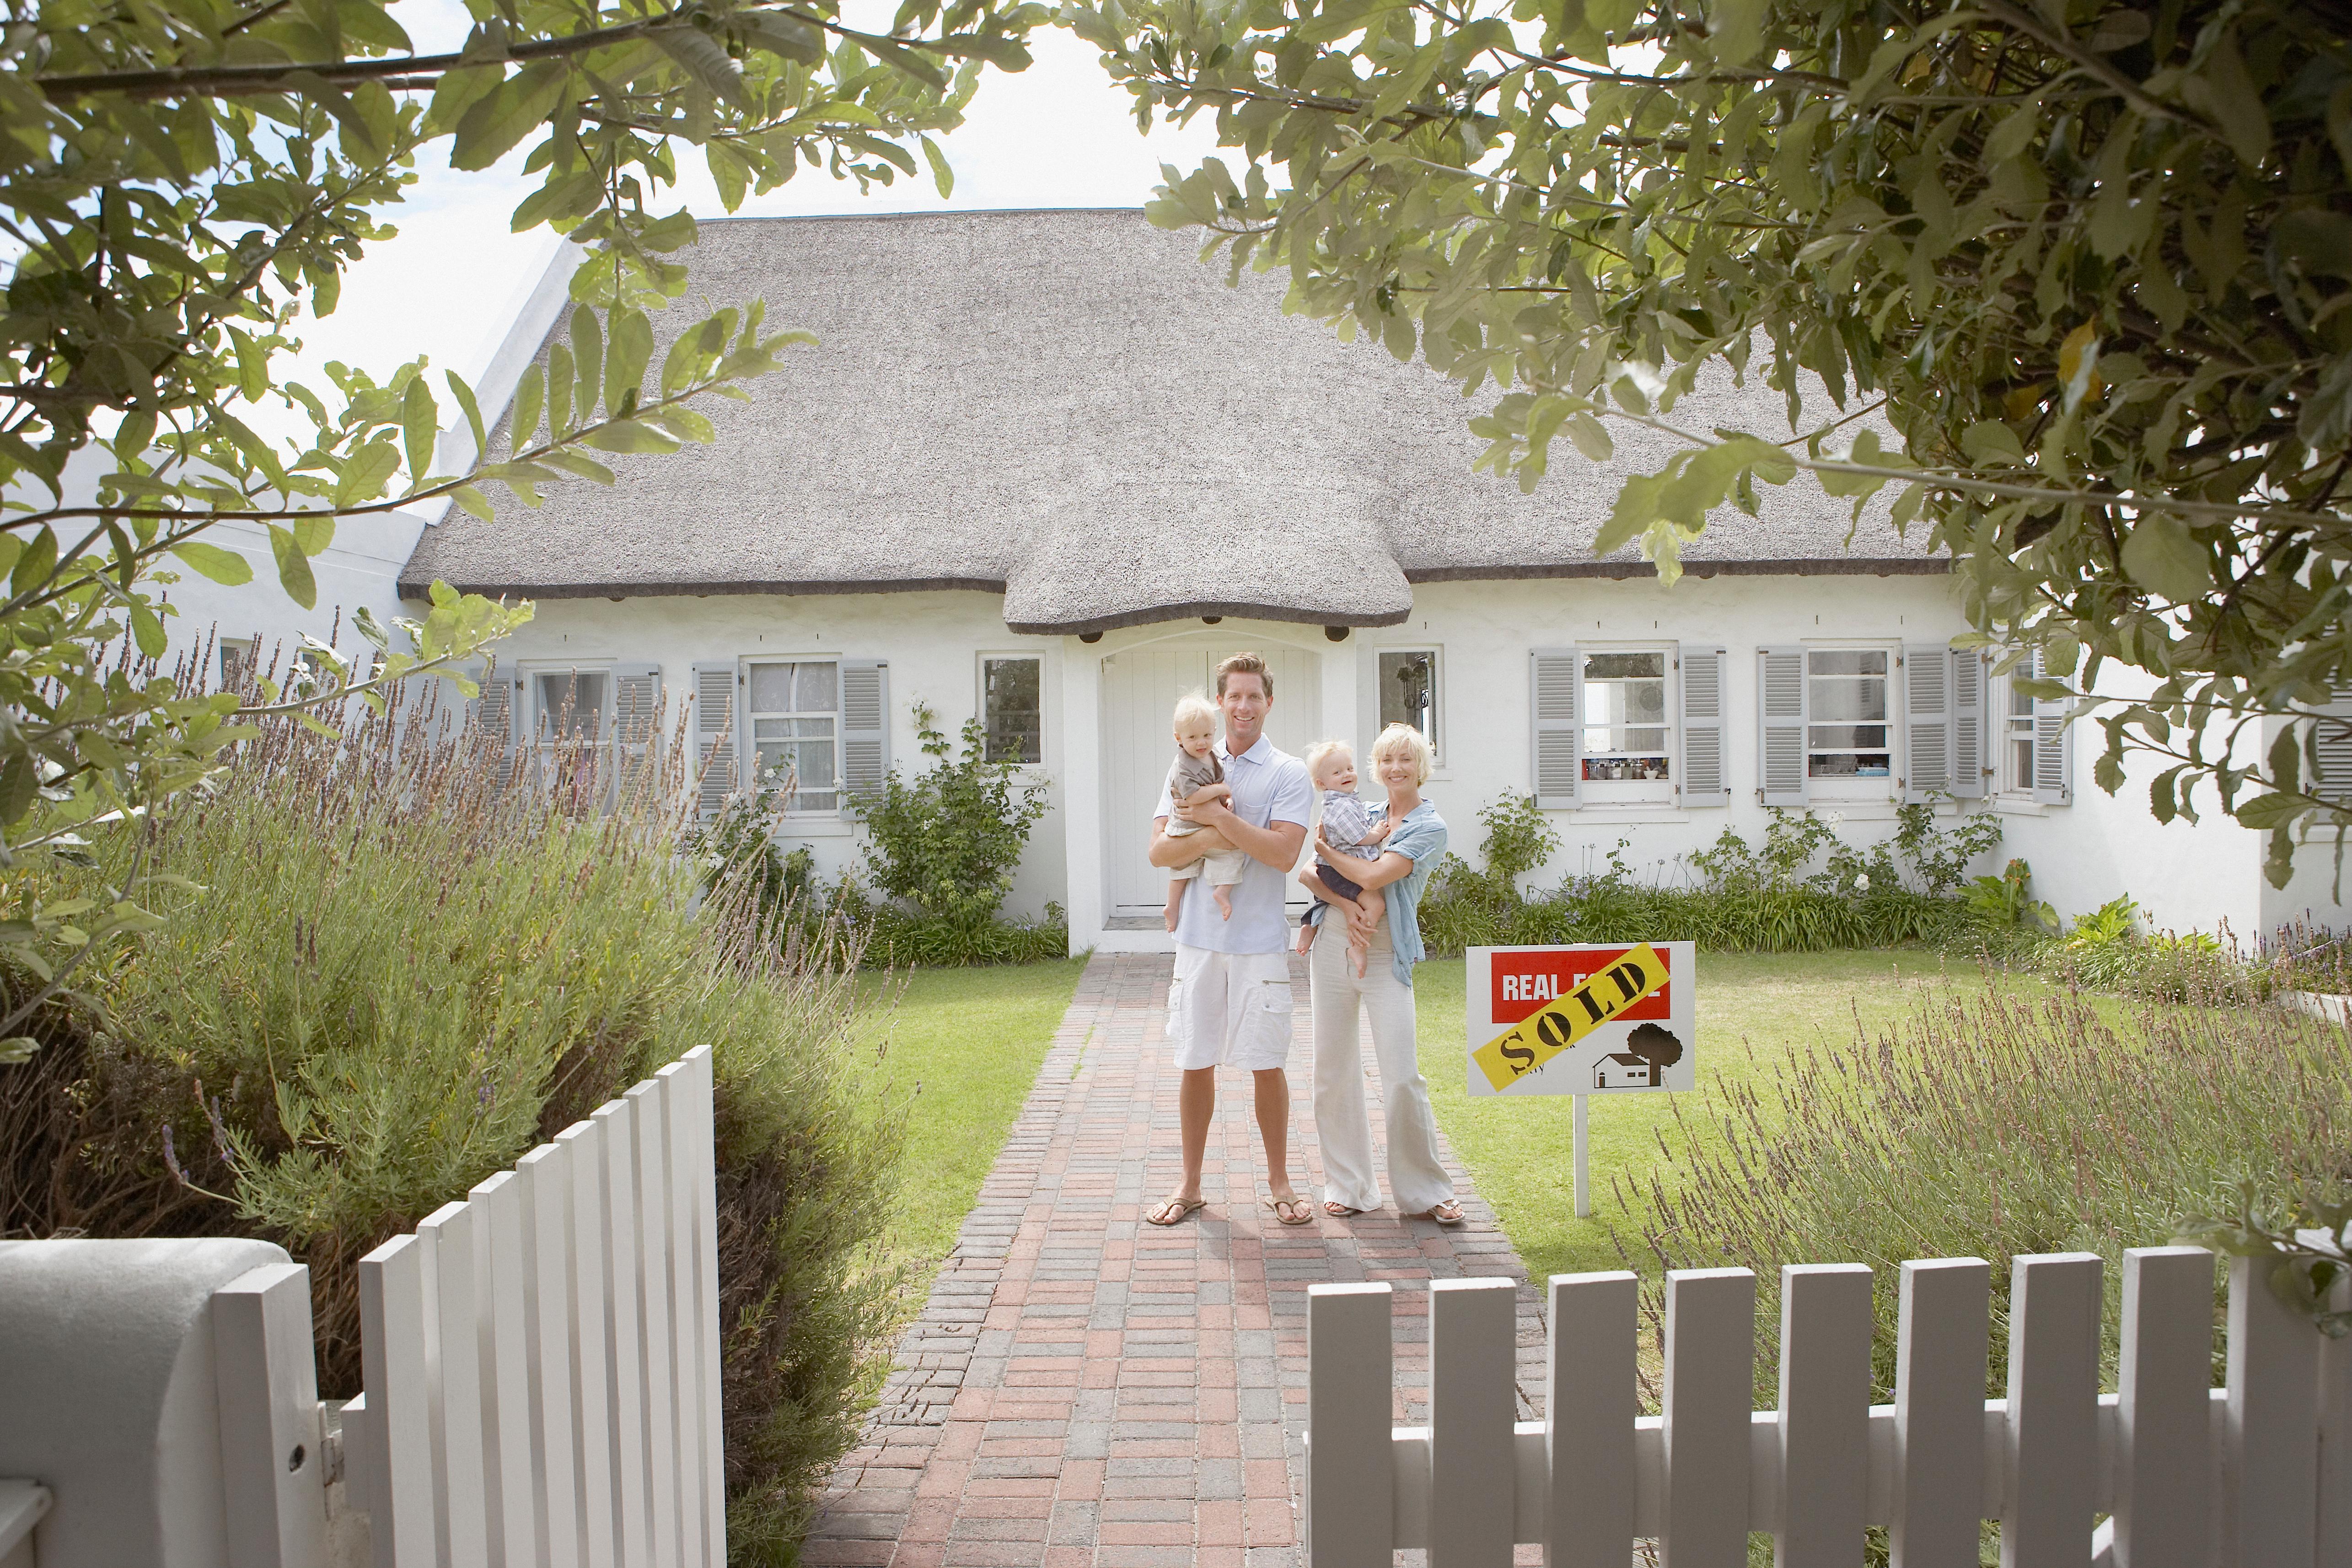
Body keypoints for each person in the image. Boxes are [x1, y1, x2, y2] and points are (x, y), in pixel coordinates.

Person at [1143, 652, 1316, 1228]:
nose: (1243, 706)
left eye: (1254, 696)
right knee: (1195, 1059)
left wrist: (1212, 822)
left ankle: (1280, 1182)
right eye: (1234, 696)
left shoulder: (1288, 772)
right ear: (1221, 702)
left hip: (1260, 942)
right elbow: (1160, 851)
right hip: (1197, 940)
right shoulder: (1187, 761)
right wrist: (1229, 829)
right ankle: (1190, 1185)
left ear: (1269, 701)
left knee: (1266, 1062)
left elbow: (1284, 854)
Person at [1306, 722, 1463, 1224]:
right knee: (1332, 1070)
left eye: (1406, 759)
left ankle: (1426, 1190)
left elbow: (1373, 874)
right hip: (1333, 940)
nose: (1396, 768)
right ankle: (1348, 1185)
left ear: (1421, 766)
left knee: (1401, 1076)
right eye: (1387, 759)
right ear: (1376, 766)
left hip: (1384, 953)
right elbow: (1308, 875)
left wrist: (1330, 853)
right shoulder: (1362, 810)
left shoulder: (1429, 826)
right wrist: (1344, 902)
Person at [1294, 740, 1391, 977]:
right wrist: (1377, 834)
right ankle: (1358, 947)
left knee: (1329, 896)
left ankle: (1310, 926)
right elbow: (1358, 838)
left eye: (1349, 768)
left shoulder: (1345, 803)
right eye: (1337, 772)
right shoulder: (1341, 807)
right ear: (1321, 784)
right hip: (1339, 870)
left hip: (1333, 868)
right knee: (1376, 904)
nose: (1346, 774)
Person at [1159, 692, 1244, 931]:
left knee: (1216, 858)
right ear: (1178, 738)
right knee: (1186, 865)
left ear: (1215, 730)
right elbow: (1193, 796)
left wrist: (1226, 799)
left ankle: (1220, 893)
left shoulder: (1212, 756)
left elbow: (1216, 782)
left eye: (1207, 735)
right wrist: (1223, 788)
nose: (1201, 743)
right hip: (1185, 826)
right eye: (1193, 737)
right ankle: (1173, 905)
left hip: (1204, 822)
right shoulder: (1183, 765)